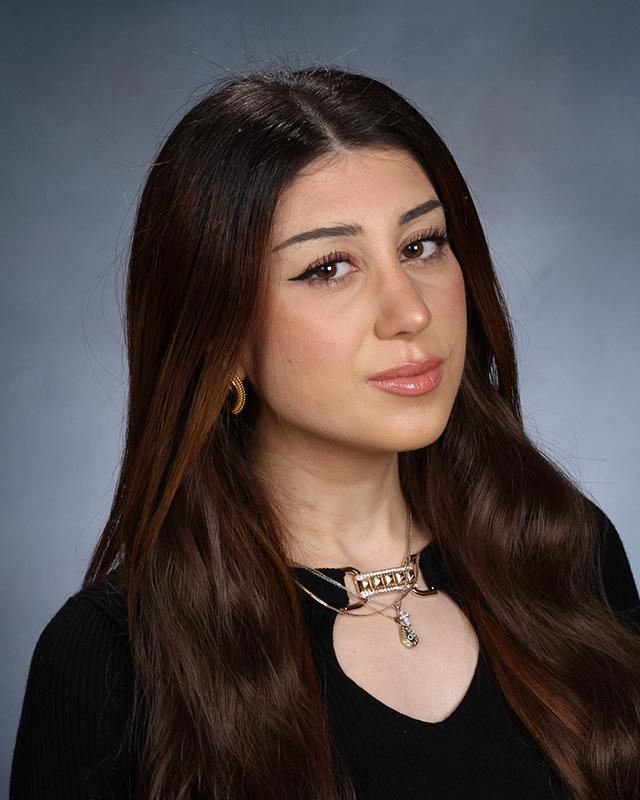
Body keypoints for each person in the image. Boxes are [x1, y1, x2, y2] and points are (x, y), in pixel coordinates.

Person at [9, 65, 640, 800]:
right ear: (220, 337)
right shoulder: (111, 659)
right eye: (329, 267)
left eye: (422, 245)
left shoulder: (567, 558)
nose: (410, 312)